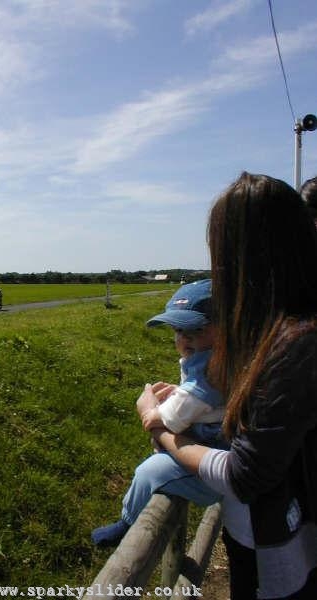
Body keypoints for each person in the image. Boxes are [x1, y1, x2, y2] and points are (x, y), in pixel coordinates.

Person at [138, 172, 317, 599]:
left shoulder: (294, 342)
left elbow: (244, 474)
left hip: (281, 551)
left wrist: (160, 429)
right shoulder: (275, 331)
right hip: (261, 533)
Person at [91, 280, 226, 548]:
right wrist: (180, 392)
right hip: (212, 445)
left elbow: (163, 419)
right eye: (178, 331)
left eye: (195, 331)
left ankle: (127, 523)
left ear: (222, 329)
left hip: (214, 463)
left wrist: (149, 407)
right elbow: (203, 400)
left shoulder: (208, 370)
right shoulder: (217, 359)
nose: (184, 339)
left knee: (150, 471)